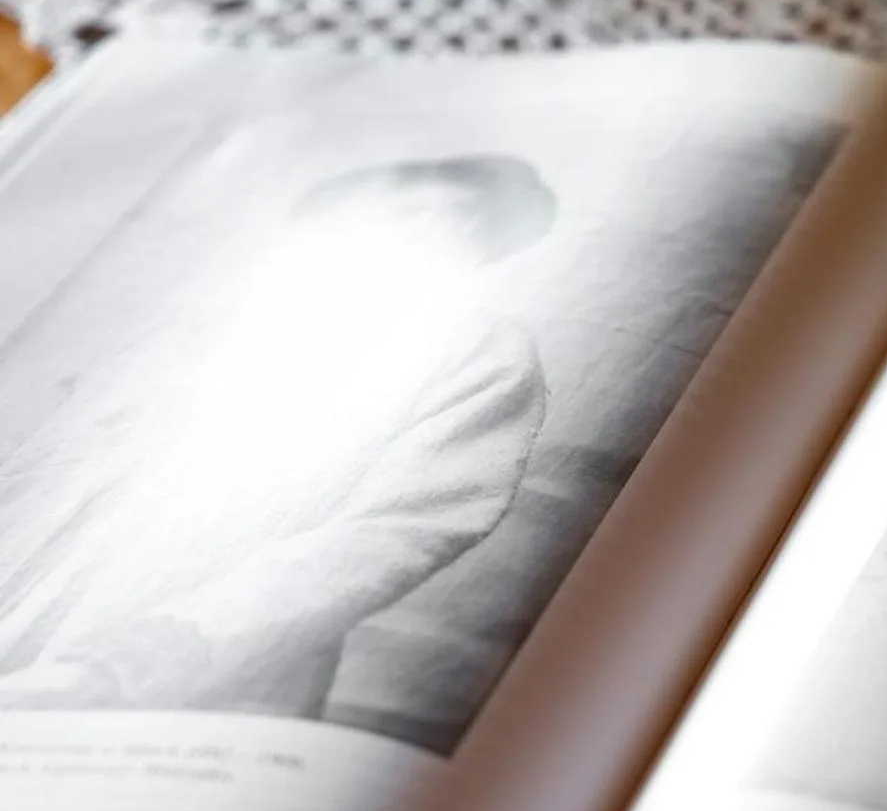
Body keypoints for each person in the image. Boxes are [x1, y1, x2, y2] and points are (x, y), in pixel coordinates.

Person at [0, 155, 554, 721]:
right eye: (402, 212)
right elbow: (47, 465)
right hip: (35, 596)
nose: (422, 232)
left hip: (191, 662)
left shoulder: (480, 349)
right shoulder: (199, 330)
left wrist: (151, 652)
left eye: (459, 223)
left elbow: (398, 530)